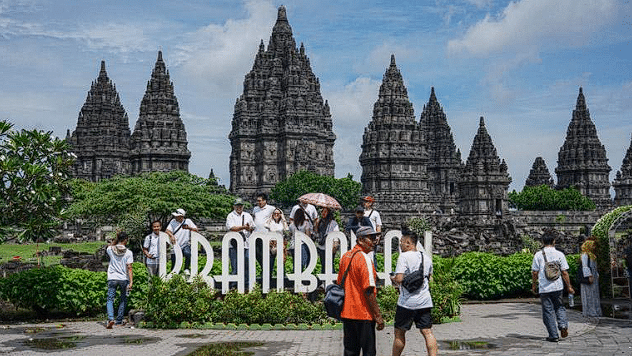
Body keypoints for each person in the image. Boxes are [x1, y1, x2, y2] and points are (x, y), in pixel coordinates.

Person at [337, 226, 384, 356]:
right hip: (364, 313)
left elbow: (340, 282)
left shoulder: (346, 256)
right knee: (369, 352)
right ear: (360, 240)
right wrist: (378, 315)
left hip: (347, 313)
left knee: (350, 351)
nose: (375, 241)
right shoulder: (364, 259)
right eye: (371, 238)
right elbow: (368, 290)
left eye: (375, 238)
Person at [390, 229, 437, 356]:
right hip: (424, 301)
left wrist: (393, 278)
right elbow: (430, 278)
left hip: (407, 303)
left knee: (399, 333)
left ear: (409, 243)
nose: (400, 245)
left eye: (402, 242)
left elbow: (399, 279)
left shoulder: (404, 257)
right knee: (428, 332)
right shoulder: (426, 257)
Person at [531, 229, 575, 342]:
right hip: (557, 286)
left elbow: (534, 272)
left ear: (542, 242)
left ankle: (553, 335)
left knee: (548, 311)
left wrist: (534, 285)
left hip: (544, 287)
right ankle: (563, 325)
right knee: (560, 307)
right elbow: (564, 272)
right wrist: (569, 286)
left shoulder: (538, 255)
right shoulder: (559, 254)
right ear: (554, 241)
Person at [106, 231, 133, 329]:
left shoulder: (110, 249)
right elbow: (129, 267)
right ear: (126, 240)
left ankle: (110, 318)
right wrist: (131, 282)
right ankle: (119, 320)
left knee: (110, 299)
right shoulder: (129, 252)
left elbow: (112, 245)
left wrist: (116, 238)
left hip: (112, 277)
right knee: (123, 299)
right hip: (123, 278)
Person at [226, 198, 254, 285]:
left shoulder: (248, 215)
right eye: (237, 206)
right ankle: (234, 284)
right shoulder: (230, 215)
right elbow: (231, 228)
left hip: (246, 243)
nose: (239, 207)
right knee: (235, 265)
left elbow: (253, 227)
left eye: (240, 206)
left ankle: (246, 283)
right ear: (234, 206)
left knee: (247, 264)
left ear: (243, 206)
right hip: (234, 244)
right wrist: (243, 227)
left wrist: (249, 228)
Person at [166, 208, 198, 272]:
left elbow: (196, 230)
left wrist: (189, 228)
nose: (176, 217)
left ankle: (186, 268)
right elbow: (167, 230)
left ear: (181, 216)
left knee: (188, 254)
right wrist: (171, 236)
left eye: (177, 216)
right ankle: (173, 273)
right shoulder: (173, 221)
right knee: (174, 260)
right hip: (176, 244)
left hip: (185, 243)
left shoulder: (188, 221)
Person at [580, 236, 602, 317]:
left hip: (594, 276)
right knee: (588, 294)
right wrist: (589, 275)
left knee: (594, 293)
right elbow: (585, 266)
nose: (594, 247)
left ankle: (595, 310)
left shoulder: (591, 255)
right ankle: (589, 311)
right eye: (592, 245)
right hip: (590, 277)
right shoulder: (585, 255)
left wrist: (596, 275)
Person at [314, 206, 340, 274]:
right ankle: (324, 281)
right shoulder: (319, 222)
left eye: (325, 211)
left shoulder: (333, 223)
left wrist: (335, 245)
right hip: (322, 246)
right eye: (322, 211)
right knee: (323, 264)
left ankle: (331, 281)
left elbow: (336, 234)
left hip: (330, 247)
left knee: (330, 264)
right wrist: (315, 225)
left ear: (329, 213)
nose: (323, 213)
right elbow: (317, 232)